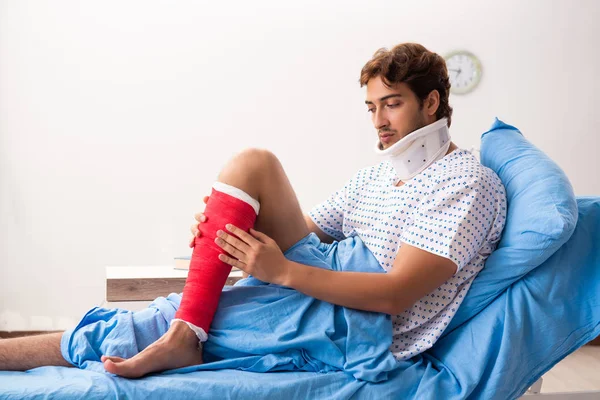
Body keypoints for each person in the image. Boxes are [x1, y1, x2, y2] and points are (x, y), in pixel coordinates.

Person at [0, 43, 507, 379]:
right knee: (252, 165)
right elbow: (307, 229)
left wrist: (284, 272)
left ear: (433, 102)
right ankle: (186, 329)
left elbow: (398, 295)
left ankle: (179, 336)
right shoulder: (379, 172)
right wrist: (229, 224)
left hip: (356, 324)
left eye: (392, 104)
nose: (378, 121)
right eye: (371, 107)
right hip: (322, 277)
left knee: (146, 323)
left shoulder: (467, 183)